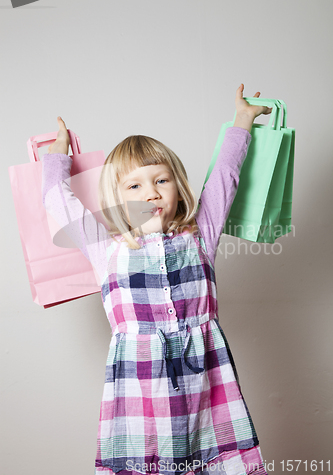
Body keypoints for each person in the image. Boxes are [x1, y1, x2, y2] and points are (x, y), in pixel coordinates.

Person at [42, 84, 272, 475]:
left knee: (215, 461)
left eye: (160, 181)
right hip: (140, 381)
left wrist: (242, 122)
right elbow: (58, 203)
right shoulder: (106, 248)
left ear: (178, 187)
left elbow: (225, 177)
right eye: (135, 185)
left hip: (206, 377)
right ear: (117, 197)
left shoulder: (200, 234)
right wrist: (56, 157)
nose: (151, 193)